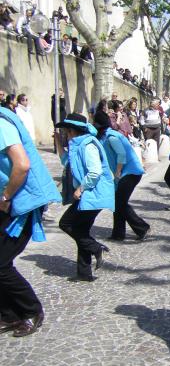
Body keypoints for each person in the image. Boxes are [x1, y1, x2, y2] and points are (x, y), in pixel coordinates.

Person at [0, 107, 61, 337]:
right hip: (10, 203)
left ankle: (31, 310)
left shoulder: (1, 125)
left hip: (20, 204)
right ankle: (9, 315)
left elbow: (22, 165)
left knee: (1, 264)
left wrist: (5, 196)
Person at [55, 114, 115, 282]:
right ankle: (84, 273)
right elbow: (66, 161)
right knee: (81, 231)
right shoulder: (77, 145)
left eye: (67, 131)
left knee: (66, 223)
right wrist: (58, 143)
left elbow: (95, 171)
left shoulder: (88, 145)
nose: (66, 134)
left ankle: (96, 248)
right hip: (89, 195)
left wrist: (81, 188)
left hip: (93, 195)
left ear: (73, 131)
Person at [93, 112, 150, 241]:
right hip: (125, 173)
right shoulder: (104, 136)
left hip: (130, 172)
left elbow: (121, 154)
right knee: (118, 203)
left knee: (120, 203)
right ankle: (118, 233)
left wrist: (118, 173)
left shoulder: (111, 136)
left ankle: (142, 227)